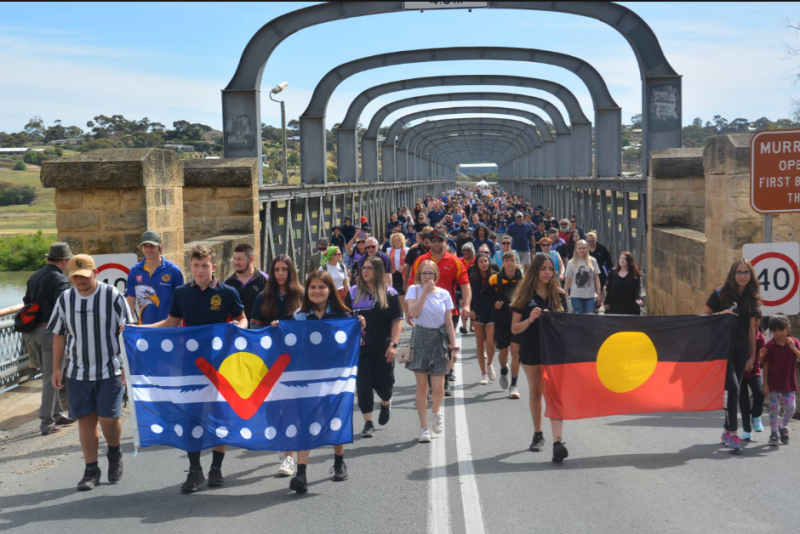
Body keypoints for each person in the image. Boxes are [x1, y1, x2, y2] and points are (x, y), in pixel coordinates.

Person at [141, 244, 248, 492]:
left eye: (205, 266)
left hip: (220, 365)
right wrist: (138, 330)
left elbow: (243, 318)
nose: (200, 270)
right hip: (189, 365)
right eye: (196, 265)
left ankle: (216, 468)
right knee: (191, 417)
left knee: (219, 415)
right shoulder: (181, 293)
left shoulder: (228, 291)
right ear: (191, 266)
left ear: (213, 267)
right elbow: (170, 323)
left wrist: (239, 327)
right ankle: (194, 469)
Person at [48, 254, 133, 490]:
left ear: (95, 272)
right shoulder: (65, 299)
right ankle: (91, 470)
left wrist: (128, 366)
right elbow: (59, 335)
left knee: (109, 418)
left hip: (109, 369)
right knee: (85, 421)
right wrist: (57, 368)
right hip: (78, 371)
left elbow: (128, 331)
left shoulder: (112, 296)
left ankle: (114, 454)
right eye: (75, 276)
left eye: (84, 276)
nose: (79, 280)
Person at [285, 270, 366, 493]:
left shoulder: (344, 316)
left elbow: (352, 345)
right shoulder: (299, 316)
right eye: (312, 287)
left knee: (335, 418)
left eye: (322, 287)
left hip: (335, 378)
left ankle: (339, 461)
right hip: (307, 379)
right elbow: (290, 345)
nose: (317, 291)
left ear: (330, 290)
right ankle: (301, 473)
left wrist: (360, 325)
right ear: (306, 290)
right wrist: (277, 330)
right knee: (304, 421)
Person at [249, 254, 304, 477]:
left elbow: (314, 323)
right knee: (272, 409)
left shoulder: (301, 295)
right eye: (277, 269)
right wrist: (269, 330)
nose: (281, 273)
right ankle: (283, 442)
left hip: (294, 361)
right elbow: (253, 328)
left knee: (290, 407)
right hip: (269, 362)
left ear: (291, 271)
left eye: (285, 269)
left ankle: (289, 458)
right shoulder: (263, 297)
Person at [509, 253, 567, 461]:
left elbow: (567, 324)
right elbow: (515, 329)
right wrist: (531, 319)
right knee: (536, 392)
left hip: (554, 352)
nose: (547, 272)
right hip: (532, 349)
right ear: (535, 270)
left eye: (550, 269)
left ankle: (558, 442)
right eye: (543, 268)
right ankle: (538, 434)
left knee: (554, 394)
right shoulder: (524, 296)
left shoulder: (558, 294)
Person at [701, 258, 760, 452]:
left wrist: (753, 356)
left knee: (731, 391)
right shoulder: (719, 295)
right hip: (721, 348)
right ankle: (734, 433)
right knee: (733, 388)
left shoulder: (752, 298)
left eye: (746, 272)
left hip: (742, 349)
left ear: (750, 276)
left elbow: (752, 331)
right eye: (739, 272)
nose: (742, 276)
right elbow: (703, 318)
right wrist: (723, 313)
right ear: (732, 274)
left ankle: (726, 430)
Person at [345, 256, 404, 438]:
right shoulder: (353, 292)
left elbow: (396, 322)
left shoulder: (390, 294)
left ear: (378, 271)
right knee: (363, 386)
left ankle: (386, 403)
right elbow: (345, 319)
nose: (365, 271)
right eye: (363, 267)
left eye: (369, 268)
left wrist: (393, 345)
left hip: (383, 347)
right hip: (360, 349)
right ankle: (368, 422)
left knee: (385, 385)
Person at [409, 229, 471, 395]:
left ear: (445, 242)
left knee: (448, 345)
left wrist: (467, 305)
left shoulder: (455, 261)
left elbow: (465, 285)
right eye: (433, 240)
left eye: (440, 240)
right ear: (429, 241)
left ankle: (446, 376)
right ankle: (431, 383)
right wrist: (407, 310)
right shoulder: (421, 261)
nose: (436, 243)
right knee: (430, 348)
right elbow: (411, 285)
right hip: (424, 311)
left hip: (448, 310)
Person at [404, 260, 459, 443]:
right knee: (422, 387)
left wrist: (453, 347)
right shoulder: (415, 290)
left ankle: (436, 412)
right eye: (424, 273)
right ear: (419, 275)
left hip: (439, 340)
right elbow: (412, 313)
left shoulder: (444, 294)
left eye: (430, 273)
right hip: (420, 338)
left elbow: (449, 323)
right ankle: (423, 427)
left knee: (438, 387)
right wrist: (425, 292)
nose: (427, 276)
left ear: (436, 275)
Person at [24, 242, 74, 435]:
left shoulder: (35, 275)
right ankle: (46, 423)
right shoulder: (59, 278)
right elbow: (63, 307)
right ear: (64, 260)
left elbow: (26, 301)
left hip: (33, 332)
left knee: (48, 374)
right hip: (50, 334)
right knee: (52, 376)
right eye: (68, 260)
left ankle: (57, 414)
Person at [482, 252, 523, 399]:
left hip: (518, 321)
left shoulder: (523, 279)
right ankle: (504, 369)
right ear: (503, 263)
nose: (510, 263)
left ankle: (514, 385)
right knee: (504, 354)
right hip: (502, 321)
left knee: (515, 351)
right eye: (507, 261)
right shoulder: (495, 279)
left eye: (512, 260)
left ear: (517, 262)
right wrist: (495, 302)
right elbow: (485, 293)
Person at [126, 230, 185, 325]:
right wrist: (129, 325)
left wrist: (182, 331)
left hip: (168, 329)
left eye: (152, 246)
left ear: (161, 246)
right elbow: (131, 301)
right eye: (145, 246)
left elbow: (181, 303)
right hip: (144, 330)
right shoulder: (135, 271)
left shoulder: (173, 270)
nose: (148, 250)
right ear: (141, 247)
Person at [760, 314, 798, 446]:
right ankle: (774, 433)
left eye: (781, 330)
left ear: (788, 328)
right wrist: (765, 384)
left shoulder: (795, 343)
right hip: (773, 383)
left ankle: (783, 426)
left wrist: (794, 349)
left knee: (791, 407)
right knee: (774, 408)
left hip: (788, 382)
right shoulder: (770, 345)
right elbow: (765, 364)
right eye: (774, 331)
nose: (778, 333)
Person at [470, 251, 497, 384]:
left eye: (486, 261)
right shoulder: (472, 277)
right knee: (480, 344)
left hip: (492, 312)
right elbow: (468, 295)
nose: (484, 263)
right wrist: (470, 310)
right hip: (477, 312)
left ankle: (489, 364)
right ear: (477, 263)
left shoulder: (495, 276)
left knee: (491, 344)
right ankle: (483, 374)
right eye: (481, 261)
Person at [224, 243, 268, 322]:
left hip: (259, 331)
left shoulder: (265, 280)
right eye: (234, 259)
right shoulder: (227, 283)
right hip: (237, 331)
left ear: (251, 259)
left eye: (240, 259)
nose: (236, 262)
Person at [740, 310, 766, 441]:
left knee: (759, 393)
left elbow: (760, 359)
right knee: (743, 401)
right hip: (740, 372)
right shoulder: (741, 336)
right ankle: (746, 430)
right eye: (753, 320)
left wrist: (753, 362)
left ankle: (756, 416)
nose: (755, 323)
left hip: (754, 370)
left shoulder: (760, 337)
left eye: (757, 320)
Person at [564, 240, 602, 315]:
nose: (582, 250)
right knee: (580, 318)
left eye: (584, 248)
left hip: (590, 295)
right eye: (579, 248)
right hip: (576, 295)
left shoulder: (593, 260)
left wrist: (599, 294)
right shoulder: (571, 262)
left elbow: (596, 278)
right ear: (576, 249)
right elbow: (568, 280)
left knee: (590, 317)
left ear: (587, 249)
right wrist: (563, 294)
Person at [387, 233, 409, 314]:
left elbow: (409, 262)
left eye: (398, 240)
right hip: (392, 274)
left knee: (402, 294)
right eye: (395, 240)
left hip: (402, 274)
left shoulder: (406, 250)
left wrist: (404, 266)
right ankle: (395, 312)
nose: (397, 242)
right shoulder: (389, 250)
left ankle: (403, 312)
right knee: (393, 294)